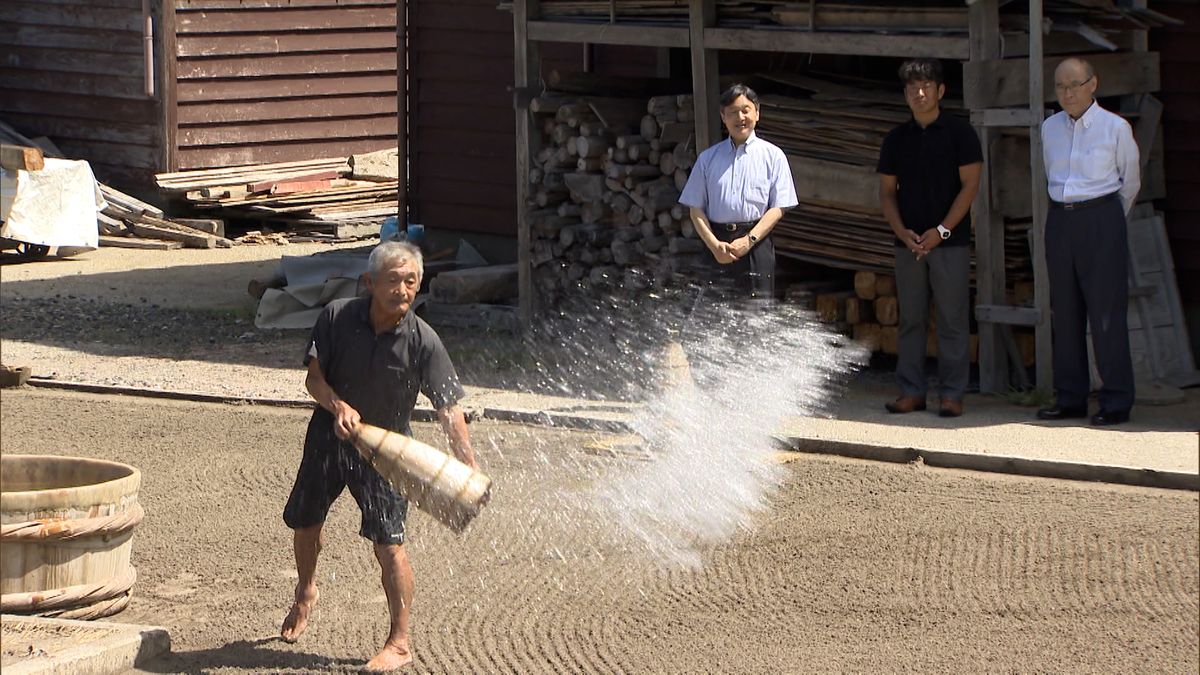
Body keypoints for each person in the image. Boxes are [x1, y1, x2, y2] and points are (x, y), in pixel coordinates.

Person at [280, 240, 477, 671]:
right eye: (393, 281)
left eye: (411, 281)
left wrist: (466, 462)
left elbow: (449, 407)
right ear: (369, 283)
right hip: (328, 436)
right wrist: (338, 406)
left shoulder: (424, 340)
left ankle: (400, 642)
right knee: (306, 521)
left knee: (390, 547)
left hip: (389, 450)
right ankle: (306, 590)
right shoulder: (335, 317)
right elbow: (314, 381)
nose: (402, 290)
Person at [1036, 57, 1140, 427]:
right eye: (1061, 87)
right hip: (1062, 218)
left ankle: (1115, 401)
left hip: (1102, 217)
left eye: (1075, 85)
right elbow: (1052, 176)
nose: (1068, 93)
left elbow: (1130, 183)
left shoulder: (1115, 128)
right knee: (1064, 312)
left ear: (1093, 84)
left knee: (1106, 314)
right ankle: (1070, 398)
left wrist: (1108, 221)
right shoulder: (1049, 128)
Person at [877, 58, 983, 417]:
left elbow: (970, 186)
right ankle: (911, 391)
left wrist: (941, 231)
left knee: (952, 319)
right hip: (908, 243)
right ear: (905, 94)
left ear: (940, 90)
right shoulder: (895, 139)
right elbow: (888, 192)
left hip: (948, 242)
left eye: (925, 86)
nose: (919, 93)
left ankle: (952, 394)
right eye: (911, 88)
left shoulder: (960, 134)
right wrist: (901, 232)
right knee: (911, 318)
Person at [679, 83, 798, 303]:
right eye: (732, 112)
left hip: (756, 245)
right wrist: (715, 246)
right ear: (723, 117)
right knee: (713, 317)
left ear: (757, 113)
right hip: (717, 245)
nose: (740, 117)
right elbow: (695, 209)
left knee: (756, 316)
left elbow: (779, 207)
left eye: (745, 110)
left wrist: (749, 240)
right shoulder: (708, 159)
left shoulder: (773, 156)